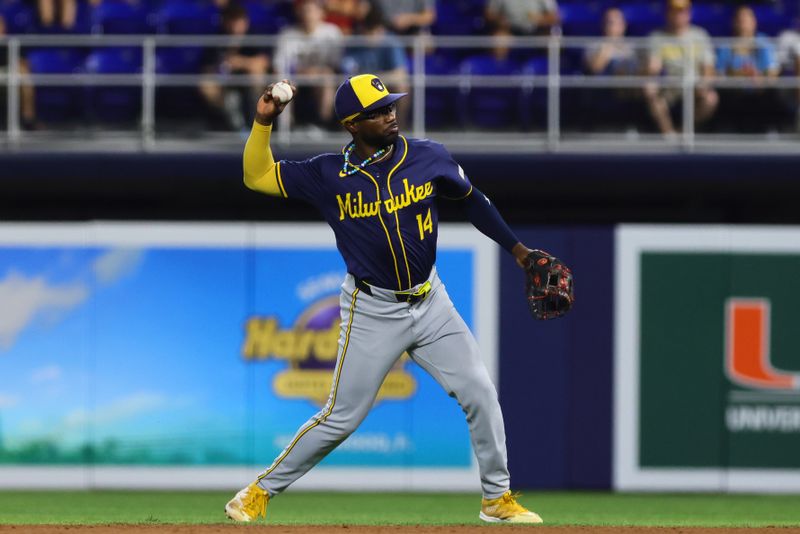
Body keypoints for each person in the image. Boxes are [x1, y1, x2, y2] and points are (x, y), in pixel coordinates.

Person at [225, 73, 546, 524]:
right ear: (352, 125)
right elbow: (256, 176)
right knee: (341, 418)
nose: (390, 114)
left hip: (431, 301)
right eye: (377, 112)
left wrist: (519, 252)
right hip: (372, 308)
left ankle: (497, 499)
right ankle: (256, 492)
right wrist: (263, 123)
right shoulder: (326, 174)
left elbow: (472, 200)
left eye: (391, 105)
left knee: (479, 392)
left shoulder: (428, 156)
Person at [643, 0, 718, 136]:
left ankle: (682, 132)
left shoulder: (700, 35)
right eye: (674, 11)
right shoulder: (657, 37)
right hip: (669, 87)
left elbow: (708, 68)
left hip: (694, 85)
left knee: (711, 98)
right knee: (650, 88)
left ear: (689, 13)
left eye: (682, 11)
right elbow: (653, 68)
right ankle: (669, 134)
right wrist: (652, 69)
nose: (678, 15)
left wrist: (704, 83)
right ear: (667, 13)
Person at [199, 2, 270, 131]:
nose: (235, 26)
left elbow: (263, 61)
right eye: (232, 21)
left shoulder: (254, 36)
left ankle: (256, 118)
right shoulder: (217, 38)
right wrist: (220, 67)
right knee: (206, 84)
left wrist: (239, 62)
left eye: (239, 21)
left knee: (257, 72)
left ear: (245, 22)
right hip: (224, 82)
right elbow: (207, 67)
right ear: (225, 22)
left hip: (248, 80)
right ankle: (232, 120)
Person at [274, 0, 343, 127]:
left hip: (322, 75)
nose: (308, 15)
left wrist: (316, 72)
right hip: (295, 76)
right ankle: (287, 128)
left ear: (321, 13)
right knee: (284, 85)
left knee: (328, 80)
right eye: (305, 11)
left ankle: (323, 125)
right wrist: (301, 72)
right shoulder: (288, 34)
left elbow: (336, 64)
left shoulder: (332, 33)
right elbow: (279, 65)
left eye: (312, 10)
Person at [715, 5, 781, 132]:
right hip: (733, 92)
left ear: (754, 22)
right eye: (740, 19)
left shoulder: (763, 42)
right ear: (734, 22)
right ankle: (727, 129)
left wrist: (759, 79)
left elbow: (772, 73)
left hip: (759, 92)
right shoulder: (725, 44)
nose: (743, 22)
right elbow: (719, 74)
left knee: (774, 92)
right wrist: (737, 75)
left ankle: (768, 129)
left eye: (747, 18)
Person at [341, 4, 409, 122]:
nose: (373, 35)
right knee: (345, 90)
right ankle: (348, 132)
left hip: (384, 85)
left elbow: (400, 73)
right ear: (362, 28)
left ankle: (400, 127)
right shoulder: (355, 42)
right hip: (361, 87)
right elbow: (346, 72)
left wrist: (374, 80)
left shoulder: (392, 42)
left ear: (382, 28)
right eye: (369, 29)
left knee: (402, 85)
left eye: (376, 29)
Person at [582, 7, 641, 131]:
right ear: (603, 25)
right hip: (605, 85)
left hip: (632, 85)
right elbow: (595, 68)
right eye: (610, 22)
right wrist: (609, 45)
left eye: (618, 22)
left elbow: (639, 69)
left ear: (624, 25)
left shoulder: (632, 47)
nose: (614, 26)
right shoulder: (594, 45)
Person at [484, 0, 560, 36]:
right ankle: (500, 66)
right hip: (509, 29)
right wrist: (500, 20)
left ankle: (552, 66)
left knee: (553, 39)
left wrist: (539, 19)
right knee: (499, 39)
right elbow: (489, 14)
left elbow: (554, 17)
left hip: (537, 30)